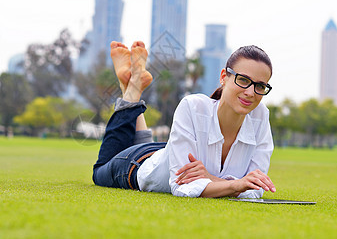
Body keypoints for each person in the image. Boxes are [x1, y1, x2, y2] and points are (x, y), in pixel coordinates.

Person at [93, 41, 276, 198]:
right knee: (99, 171)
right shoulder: (193, 106)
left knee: (163, 156)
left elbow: (255, 188)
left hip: (167, 152)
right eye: (243, 80)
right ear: (223, 77)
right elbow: (183, 187)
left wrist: (210, 178)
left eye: (260, 85)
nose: (251, 92)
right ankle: (132, 88)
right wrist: (235, 185)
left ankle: (133, 85)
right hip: (139, 163)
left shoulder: (260, 116)